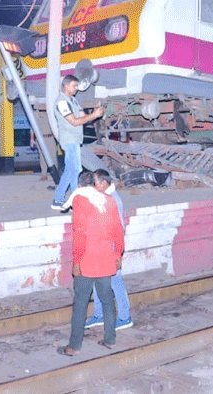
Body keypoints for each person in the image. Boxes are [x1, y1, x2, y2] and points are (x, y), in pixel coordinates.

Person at [57, 170, 125, 357]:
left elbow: (80, 235)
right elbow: (118, 231)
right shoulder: (109, 201)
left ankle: (74, 346)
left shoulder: (80, 200)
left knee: (80, 303)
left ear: (80, 185)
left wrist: (76, 261)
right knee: (107, 299)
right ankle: (110, 339)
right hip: (106, 259)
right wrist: (118, 255)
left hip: (87, 260)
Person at [85, 169, 133, 331]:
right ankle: (99, 314)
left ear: (105, 183)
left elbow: (118, 228)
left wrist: (116, 253)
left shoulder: (113, 200)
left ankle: (125, 317)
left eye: (97, 182)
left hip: (110, 247)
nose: (95, 186)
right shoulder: (102, 197)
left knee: (115, 281)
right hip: (100, 246)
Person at [51, 75, 104, 210]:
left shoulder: (73, 101)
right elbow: (74, 121)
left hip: (75, 140)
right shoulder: (62, 102)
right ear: (66, 85)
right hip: (69, 140)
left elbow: (83, 117)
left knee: (73, 170)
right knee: (73, 169)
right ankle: (62, 199)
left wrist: (94, 114)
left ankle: (71, 200)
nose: (76, 89)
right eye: (74, 86)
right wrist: (94, 115)